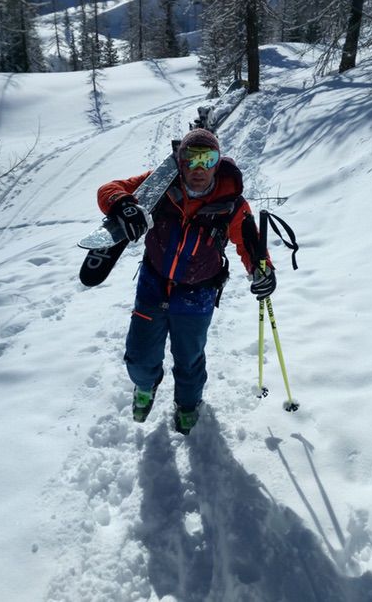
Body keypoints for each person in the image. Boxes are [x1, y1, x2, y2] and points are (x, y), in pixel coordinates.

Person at [97, 128, 276, 435]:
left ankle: (188, 404)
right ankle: (146, 385)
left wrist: (262, 271)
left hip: (199, 293)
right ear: (180, 161)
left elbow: (249, 242)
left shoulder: (231, 200)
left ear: (218, 162)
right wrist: (122, 205)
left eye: (208, 159)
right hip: (154, 284)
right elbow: (108, 190)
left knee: (189, 359)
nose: (199, 168)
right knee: (139, 356)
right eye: (191, 159)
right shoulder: (159, 184)